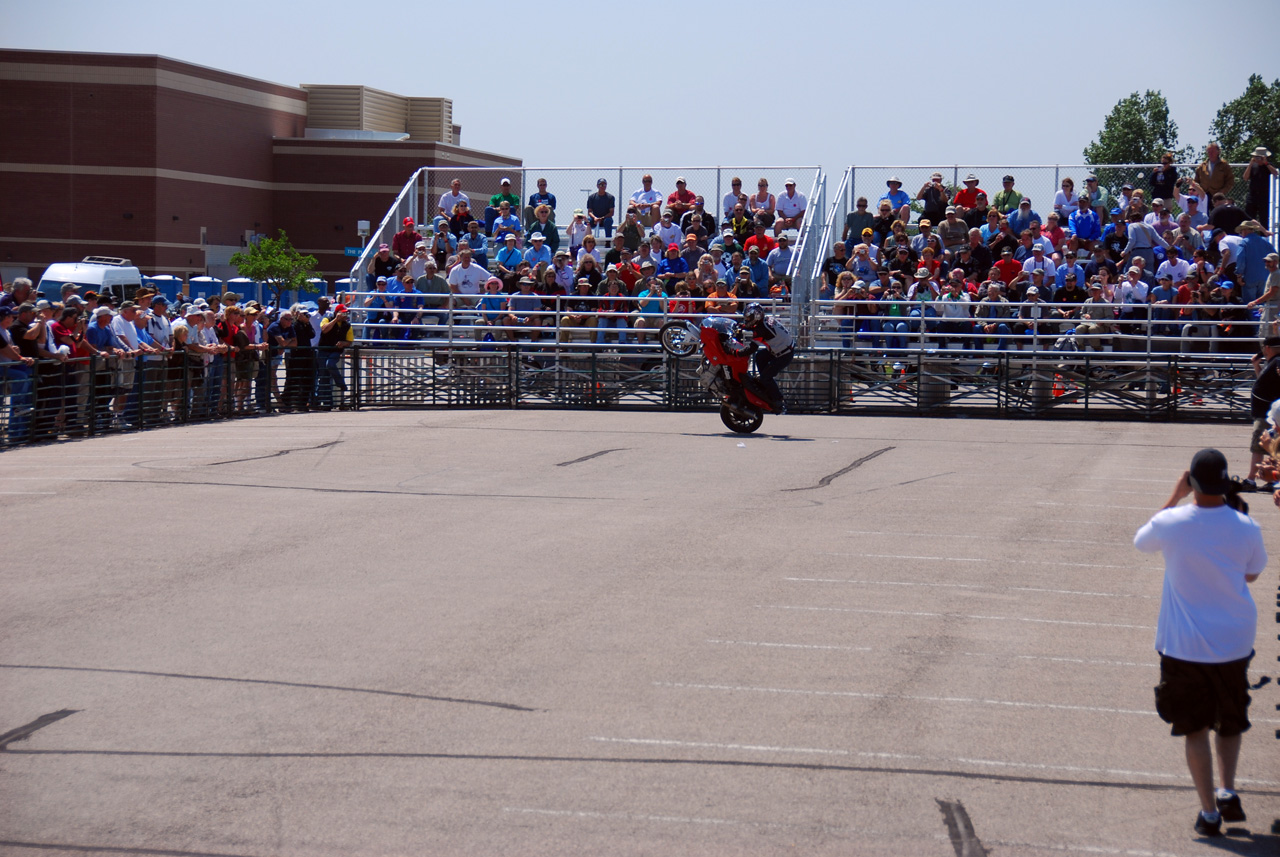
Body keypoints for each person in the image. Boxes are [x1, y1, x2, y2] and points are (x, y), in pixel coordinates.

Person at [1133, 449, 1265, 838]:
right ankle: (1227, 789)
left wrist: (1173, 497)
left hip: (1184, 645)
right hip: (1234, 640)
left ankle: (1209, 813)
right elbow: (1252, 574)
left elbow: (1141, 542)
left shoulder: (1171, 522)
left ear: (1191, 481)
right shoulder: (1246, 525)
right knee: (1230, 719)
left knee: (1194, 728)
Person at [739, 301, 793, 412]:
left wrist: (736, 353)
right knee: (759, 357)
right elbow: (754, 327)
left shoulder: (761, 329)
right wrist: (743, 326)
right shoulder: (764, 321)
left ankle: (779, 400)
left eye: (749, 318)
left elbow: (752, 348)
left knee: (766, 378)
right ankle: (765, 386)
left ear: (756, 316)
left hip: (784, 354)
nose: (747, 320)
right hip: (781, 347)